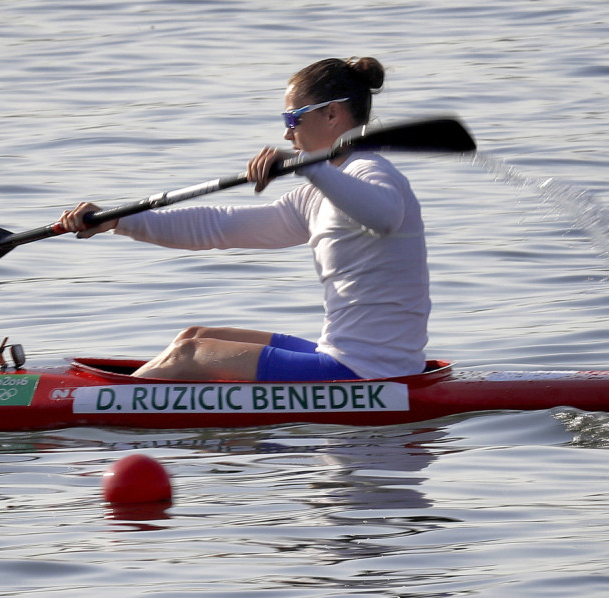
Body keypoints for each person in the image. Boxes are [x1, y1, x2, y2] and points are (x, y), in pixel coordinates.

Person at [58, 57, 430, 382]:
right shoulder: (317, 195)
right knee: (192, 338)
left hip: (368, 373)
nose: (287, 133)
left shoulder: (371, 173)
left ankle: (94, 405)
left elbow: (383, 217)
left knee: (188, 358)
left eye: (293, 118)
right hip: (341, 356)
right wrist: (120, 223)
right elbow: (218, 226)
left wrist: (309, 168)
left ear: (332, 114)